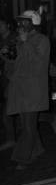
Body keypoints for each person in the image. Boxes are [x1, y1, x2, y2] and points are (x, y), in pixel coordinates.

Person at [4, 10, 50, 169]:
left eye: (24, 21)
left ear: (33, 23)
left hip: (34, 89)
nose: (20, 25)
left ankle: (22, 158)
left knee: (29, 126)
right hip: (21, 89)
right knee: (26, 125)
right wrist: (6, 56)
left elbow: (40, 64)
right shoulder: (19, 40)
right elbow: (15, 66)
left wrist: (26, 43)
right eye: (20, 22)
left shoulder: (42, 40)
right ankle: (38, 150)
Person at [0, 16, 17, 151]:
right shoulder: (1, 40)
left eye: (1, 23)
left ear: (7, 25)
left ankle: (12, 140)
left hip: (14, 78)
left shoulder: (14, 38)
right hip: (4, 78)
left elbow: (14, 58)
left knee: (21, 110)